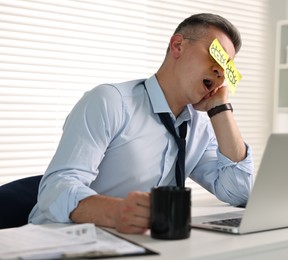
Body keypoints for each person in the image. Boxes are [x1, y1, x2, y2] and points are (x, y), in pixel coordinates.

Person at [29, 13, 254, 234]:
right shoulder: (110, 102)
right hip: (62, 238)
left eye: (227, 67)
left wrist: (220, 109)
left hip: (138, 243)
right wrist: (117, 211)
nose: (220, 71)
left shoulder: (199, 129)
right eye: (216, 55)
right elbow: (55, 190)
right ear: (177, 46)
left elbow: (239, 192)